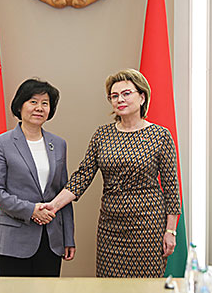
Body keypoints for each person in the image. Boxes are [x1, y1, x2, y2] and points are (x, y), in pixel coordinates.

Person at [38, 68, 181, 277]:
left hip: (149, 226)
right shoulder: (102, 134)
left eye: (126, 93)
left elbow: (171, 189)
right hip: (111, 227)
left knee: (146, 287)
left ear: (142, 97)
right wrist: (53, 205)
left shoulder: (160, 135)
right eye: (114, 96)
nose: (119, 99)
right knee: (108, 286)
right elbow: (82, 176)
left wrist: (170, 231)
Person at [0, 78, 75, 277]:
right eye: (33, 101)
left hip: (51, 240)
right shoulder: (1, 143)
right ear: (20, 105)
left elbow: (65, 193)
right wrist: (32, 210)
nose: (39, 108)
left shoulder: (59, 144)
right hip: (14, 240)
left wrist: (68, 237)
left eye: (45, 103)